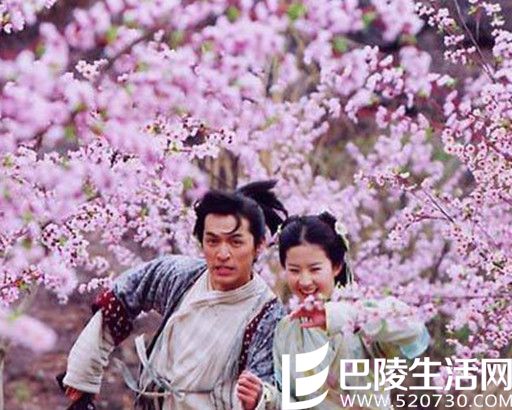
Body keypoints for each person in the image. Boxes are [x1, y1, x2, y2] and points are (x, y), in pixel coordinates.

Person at [58, 180, 288, 410]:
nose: (222, 254)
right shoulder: (181, 276)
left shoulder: (268, 316)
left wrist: (261, 398)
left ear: (259, 245)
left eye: (236, 242)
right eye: (212, 241)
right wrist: (83, 376)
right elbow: (120, 299)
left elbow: (273, 390)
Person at [236, 212, 430, 409]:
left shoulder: (362, 313)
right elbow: (292, 402)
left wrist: (337, 316)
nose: (305, 281)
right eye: (294, 270)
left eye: (315, 269)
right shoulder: (286, 330)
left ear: (336, 266)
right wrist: (265, 398)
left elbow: (412, 327)